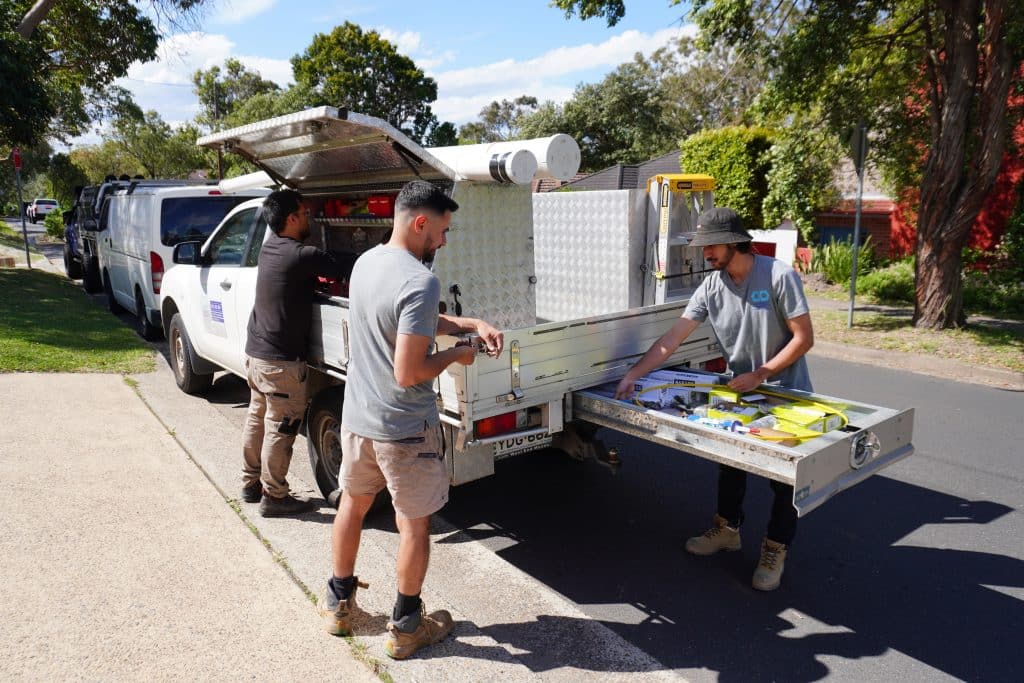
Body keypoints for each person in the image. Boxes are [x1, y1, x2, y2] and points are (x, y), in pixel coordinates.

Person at [319, 180, 504, 659]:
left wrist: (467, 323)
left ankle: (339, 607)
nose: (443, 241)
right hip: (404, 430)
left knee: (352, 507)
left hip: (359, 420)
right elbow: (409, 371)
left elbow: (405, 319)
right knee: (414, 526)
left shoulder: (367, 264)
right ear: (420, 222)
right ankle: (405, 627)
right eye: (441, 231)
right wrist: (457, 355)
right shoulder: (421, 280)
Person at [615, 207, 814, 591]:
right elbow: (671, 340)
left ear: (735, 241)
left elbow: (803, 338)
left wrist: (761, 374)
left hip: (786, 392)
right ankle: (727, 531)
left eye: (711, 245)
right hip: (740, 390)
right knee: (731, 462)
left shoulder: (777, 275)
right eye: (702, 246)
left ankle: (775, 548)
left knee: (784, 479)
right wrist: (634, 375)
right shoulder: (711, 287)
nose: (704, 253)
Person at [242, 188, 350, 517]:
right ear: (291, 218)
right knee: (282, 426)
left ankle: (250, 483)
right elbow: (343, 265)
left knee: (257, 418)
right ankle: (274, 496)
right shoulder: (301, 254)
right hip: (280, 362)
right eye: (304, 213)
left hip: (256, 355)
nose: (309, 218)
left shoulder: (270, 249)